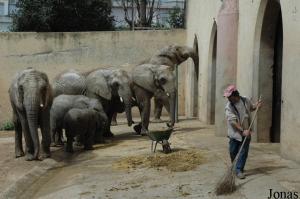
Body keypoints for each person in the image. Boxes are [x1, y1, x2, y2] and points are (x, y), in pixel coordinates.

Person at [224, 85, 262, 179]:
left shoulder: (245, 100)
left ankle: (239, 170)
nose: (228, 98)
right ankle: (235, 166)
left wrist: (257, 106)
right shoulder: (229, 106)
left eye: (229, 96)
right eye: (227, 97)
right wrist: (242, 130)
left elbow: (251, 108)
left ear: (235, 94)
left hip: (247, 131)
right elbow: (233, 122)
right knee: (233, 151)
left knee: (243, 152)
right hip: (235, 133)